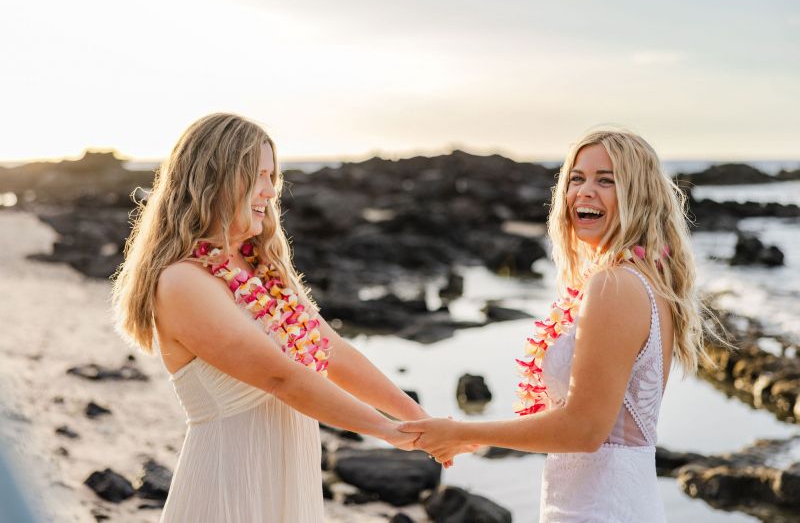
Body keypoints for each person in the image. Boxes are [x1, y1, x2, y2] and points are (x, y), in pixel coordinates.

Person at [111, 113, 423, 522]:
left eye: (272, 176)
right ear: (215, 179)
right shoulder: (183, 280)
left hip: (287, 479)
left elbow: (328, 349)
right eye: (257, 176)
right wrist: (385, 431)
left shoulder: (264, 267)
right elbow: (281, 377)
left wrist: (417, 418)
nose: (269, 191)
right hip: (230, 483)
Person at [401, 129, 711, 522]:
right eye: (576, 178)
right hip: (609, 500)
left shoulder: (616, 284)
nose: (584, 191)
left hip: (601, 509)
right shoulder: (644, 279)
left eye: (606, 180)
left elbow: (583, 430)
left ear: (639, 194)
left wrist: (465, 433)